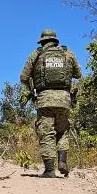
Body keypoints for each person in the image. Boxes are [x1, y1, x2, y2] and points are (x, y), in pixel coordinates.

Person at [20, 29, 81, 178]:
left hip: (44, 99)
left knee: (47, 134)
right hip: (64, 100)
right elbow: (78, 75)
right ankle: (62, 161)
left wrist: (32, 92)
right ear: (55, 41)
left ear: (42, 42)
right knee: (62, 131)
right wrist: (73, 95)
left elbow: (23, 77)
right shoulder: (68, 54)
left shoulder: (37, 54)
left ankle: (49, 170)